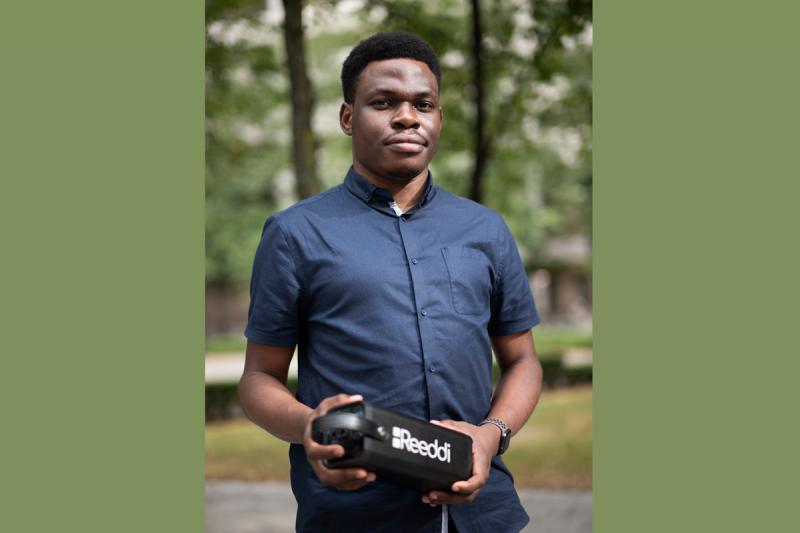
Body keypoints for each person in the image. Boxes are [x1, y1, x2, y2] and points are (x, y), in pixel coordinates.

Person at [239, 31, 543, 533]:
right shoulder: (295, 234)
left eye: (423, 103)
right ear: (347, 117)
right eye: (383, 102)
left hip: (484, 515)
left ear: (439, 118)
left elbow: (523, 360)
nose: (407, 116)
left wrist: (490, 436)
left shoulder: (485, 229)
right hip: (355, 515)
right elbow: (258, 379)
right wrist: (309, 426)